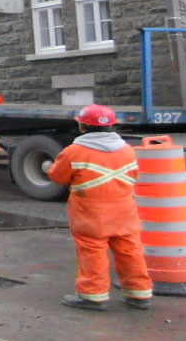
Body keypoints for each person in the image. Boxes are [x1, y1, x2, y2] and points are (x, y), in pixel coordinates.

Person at [47, 104, 152, 311]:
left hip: (90, 212)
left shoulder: (74, 151)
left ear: (82, 126)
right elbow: (133, 176)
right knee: (129, 249)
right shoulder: (127, 150)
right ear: (112, 126)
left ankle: (92, 296)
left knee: (92, 250)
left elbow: (57, 176)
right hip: (124, 209)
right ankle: (140, 294)